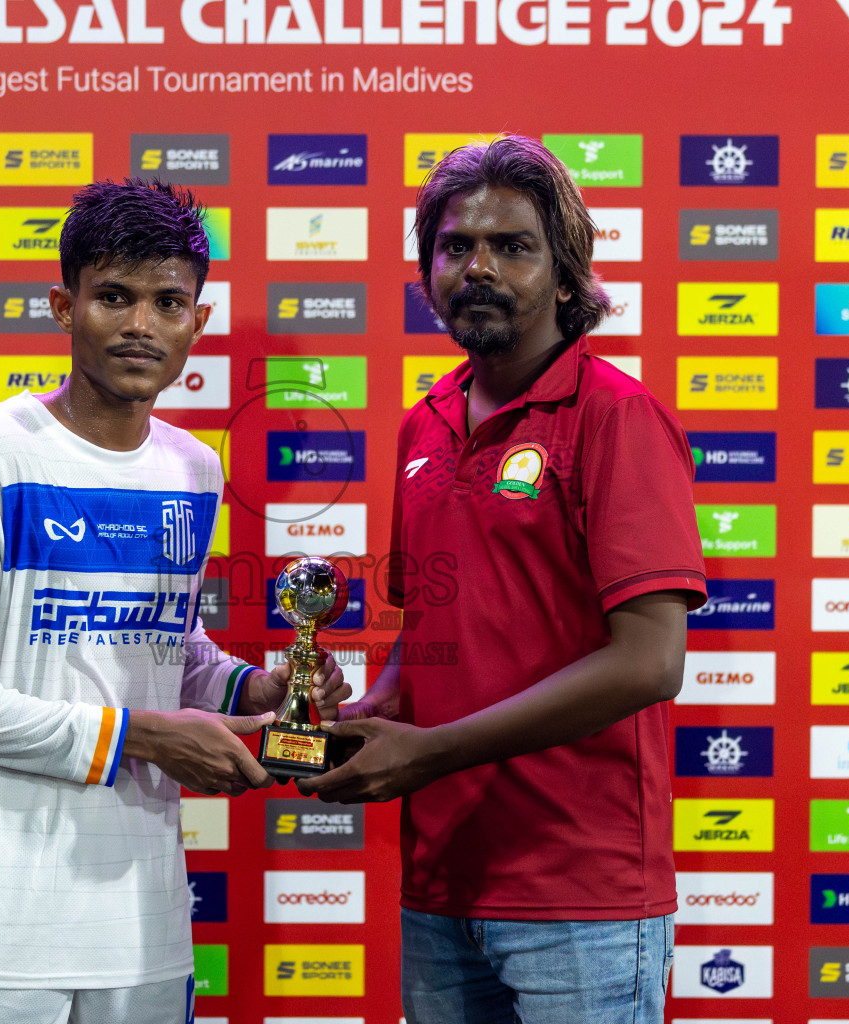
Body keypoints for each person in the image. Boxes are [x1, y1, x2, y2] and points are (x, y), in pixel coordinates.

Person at [0, 179, 348, 1024]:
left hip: (142, 926)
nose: (142, 324)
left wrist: (251, 689)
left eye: (168, 301)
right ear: (64, 307)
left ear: (197, 323)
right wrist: (141, 738)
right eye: (114, 297)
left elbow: (162, 647)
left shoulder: (192, 470)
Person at [296, 136, 707, 1024]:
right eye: (455, 247)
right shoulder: (424, 426)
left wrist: (435, 750)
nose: (477, 266)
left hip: (579, 894)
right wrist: (384, 704)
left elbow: (649, 663)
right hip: (442, 882)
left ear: (567, 276)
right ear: (428, 271)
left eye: (512, 246)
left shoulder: (617, 419)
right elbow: (439, 622)